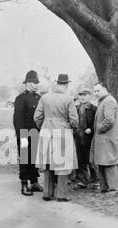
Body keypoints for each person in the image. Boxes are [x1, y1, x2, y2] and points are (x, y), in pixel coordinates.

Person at [34, 74, 79, 202]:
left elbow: (37, 117)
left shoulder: (45, 97)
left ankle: (47, 193)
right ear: (66, 85)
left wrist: (43, 126)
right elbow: (75, 120)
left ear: (57, 84)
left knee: (48, 162)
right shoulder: (69, 99)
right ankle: (61, 195)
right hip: (63, 131)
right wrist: (70, 128)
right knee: (62, 163)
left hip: (46, 131)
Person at [90, 83, 118, 195]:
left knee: (109, 162)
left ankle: (114, 188)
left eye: (98, 90)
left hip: (107, 137)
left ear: (104, 89)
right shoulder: (103, 101)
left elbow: (109, 120)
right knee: (102, 162)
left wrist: (99, 129)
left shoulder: (109, 101)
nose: (95, 93)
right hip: (103, 138)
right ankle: (104, 187)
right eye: (94, 91)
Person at [13, 70, 44, 196]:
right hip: (25, 133)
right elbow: (17, 119)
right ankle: (24, 184)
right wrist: (22, 136)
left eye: (37, 82)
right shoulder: (21, 98)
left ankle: (34, 182)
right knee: (25, 158)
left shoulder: (39, 98)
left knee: (35, 158)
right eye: (34, 82)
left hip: (36, 133)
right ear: (27, 83)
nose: (36, 85)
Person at [73, 88, 99, 190]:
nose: (82, 97)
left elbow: (97, 123)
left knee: (91, 160)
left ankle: (95, 181)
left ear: (89, 96)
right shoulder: (76, 108)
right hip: (78, 137)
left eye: (85, 95)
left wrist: (91, 129)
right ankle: (82, 181)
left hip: (89, 138)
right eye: (81, 95)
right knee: (80, 160)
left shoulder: (94, 109)